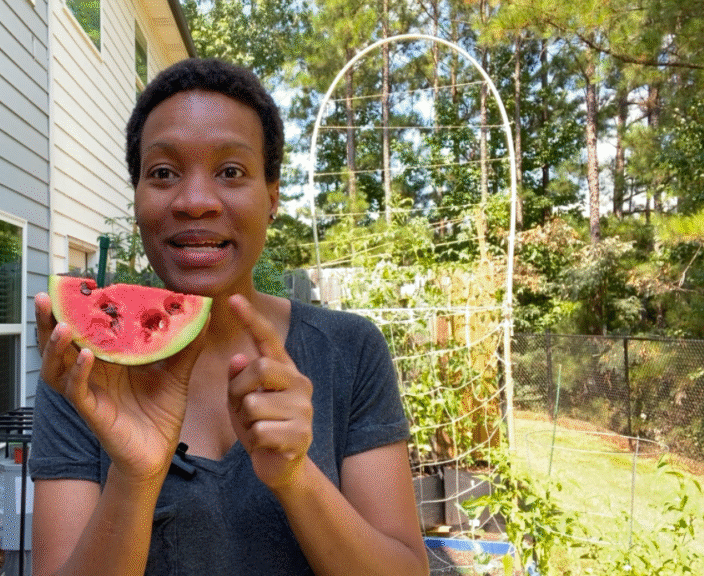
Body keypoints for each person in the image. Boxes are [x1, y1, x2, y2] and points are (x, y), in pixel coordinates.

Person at [30, 58, 430, 576]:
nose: (195, 202)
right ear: (137, 199)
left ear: (271, 197)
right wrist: (134, 474)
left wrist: (294, 476)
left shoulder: (350, 351)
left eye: (231, 172)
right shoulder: (84, 370)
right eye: (163, 173)